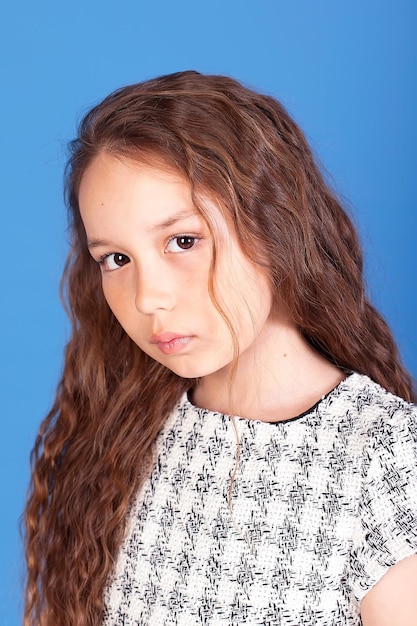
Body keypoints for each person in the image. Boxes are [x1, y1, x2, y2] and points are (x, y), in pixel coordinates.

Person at [24, 70, 417, 626]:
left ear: (275, 224)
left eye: (183, 241)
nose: (148, 298)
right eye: (116, 258)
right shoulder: (121, 435)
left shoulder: (385, 460)